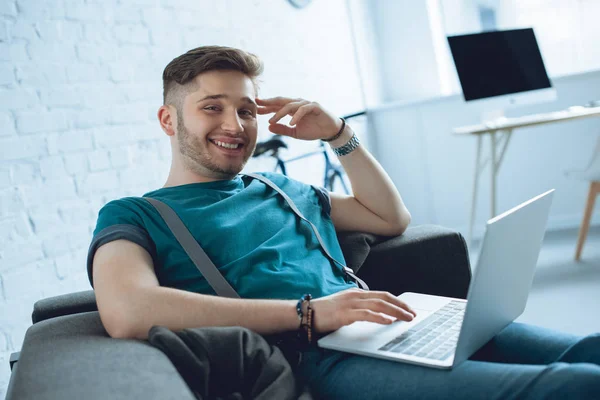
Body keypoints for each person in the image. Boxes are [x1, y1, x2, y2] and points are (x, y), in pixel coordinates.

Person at [88, 46, 600, 399]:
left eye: (247, 110)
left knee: (590, 353)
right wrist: (310, 313)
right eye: (212, 108)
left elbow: (390, 215)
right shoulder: (135, 215)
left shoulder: (276, 187)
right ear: (168, 120)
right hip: (323, 359)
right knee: (574, 386)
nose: (235, 125)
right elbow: (128, 311)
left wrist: (337, 133)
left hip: (393, 324)